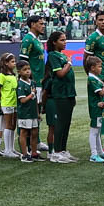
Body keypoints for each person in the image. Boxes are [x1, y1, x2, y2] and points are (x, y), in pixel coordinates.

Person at [44, 30, 76, 163]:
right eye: (62, 40)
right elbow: (60, 74)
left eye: (65, 39)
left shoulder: (61, 55)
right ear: (54, 42)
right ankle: (56, 152)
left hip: (68, 92)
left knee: (66, 123)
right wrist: (69, 63)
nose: (65, 42)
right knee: (60, 123)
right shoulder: (53, 56)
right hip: (60, 93)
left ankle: (63, 150)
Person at [18, 15, 46, 152]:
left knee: (37, 110)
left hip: (39, 80)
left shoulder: (38, 40)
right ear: (33, 24)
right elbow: (23, 61)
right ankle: (28, 143)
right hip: (32, 81)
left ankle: (37, 141)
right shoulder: (28, 39)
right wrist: (28, 80)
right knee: (30, 110)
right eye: (40, 24)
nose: (43, 26)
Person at [84, 54, 104, 163]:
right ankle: (94, 154)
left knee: (98, 130)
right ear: (92, 68)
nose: (101, 68)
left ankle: (100, 151)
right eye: (99, 66)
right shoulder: (92, 79)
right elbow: (101, 92)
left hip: (99, 108)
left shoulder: (96, 78)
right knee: (94, 131)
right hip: (95, 108)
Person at [15, 61, 39, 162]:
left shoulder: (32, 82)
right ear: (19, 72)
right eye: (25, 70)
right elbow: (23, 100)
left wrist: (38, 113)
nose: (28, 71)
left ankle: (34, 153)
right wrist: (32, 94)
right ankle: (24, 154)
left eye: (28, 69)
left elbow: (35, 100)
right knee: (24, 133)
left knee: (35, 133)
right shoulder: (20, 84)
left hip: (33, 112)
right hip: (24, 113)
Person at [0, 53, 19, 159]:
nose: (14, 63)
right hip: (7, 102)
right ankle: (7, 149)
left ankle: (11, 148)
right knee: (8, 125)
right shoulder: (2, 76)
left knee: (13, 125)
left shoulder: (12, 75)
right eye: (12, 62)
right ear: (6, 63)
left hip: (14, 102)